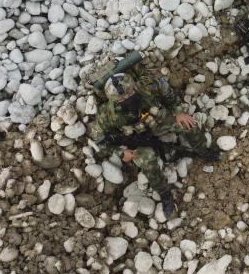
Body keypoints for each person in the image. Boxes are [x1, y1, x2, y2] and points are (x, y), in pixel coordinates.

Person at [89, 72, 220, 217]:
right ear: (115, 101)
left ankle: (203, 151)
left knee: (187, 124)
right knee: (147, 162)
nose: (129, 98)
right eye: (123, 98)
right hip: (137, 138)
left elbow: (168, 94)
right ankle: (165, 193)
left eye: (131, 92)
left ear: (134, 86)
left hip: (159, 120)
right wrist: (120, 152)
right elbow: (98, 139)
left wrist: (178, 112)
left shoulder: (148, 84)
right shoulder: (107, 115)